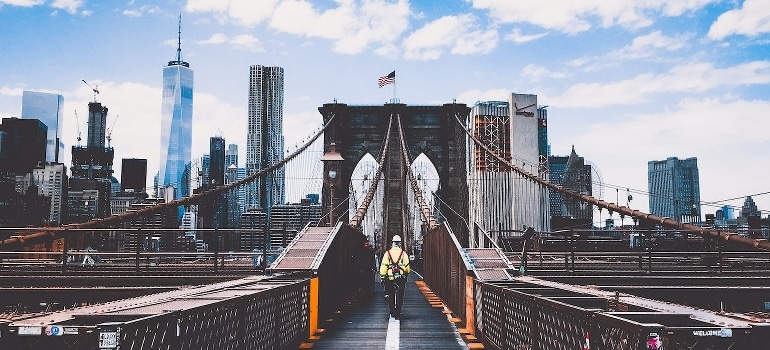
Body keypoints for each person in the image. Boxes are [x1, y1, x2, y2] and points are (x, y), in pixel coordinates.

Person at [379, 234, 410, 318]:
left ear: (392, 243)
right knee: (400, 294)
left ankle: (392, 311)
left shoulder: (387, 254)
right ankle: (398, 310)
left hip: (389, 278)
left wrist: (382, 278)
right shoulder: (404, 254)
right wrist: (406, 274)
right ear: (400, 243)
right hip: (400, 278)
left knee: (391, 295)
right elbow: (407, 268)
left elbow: (383, 267)